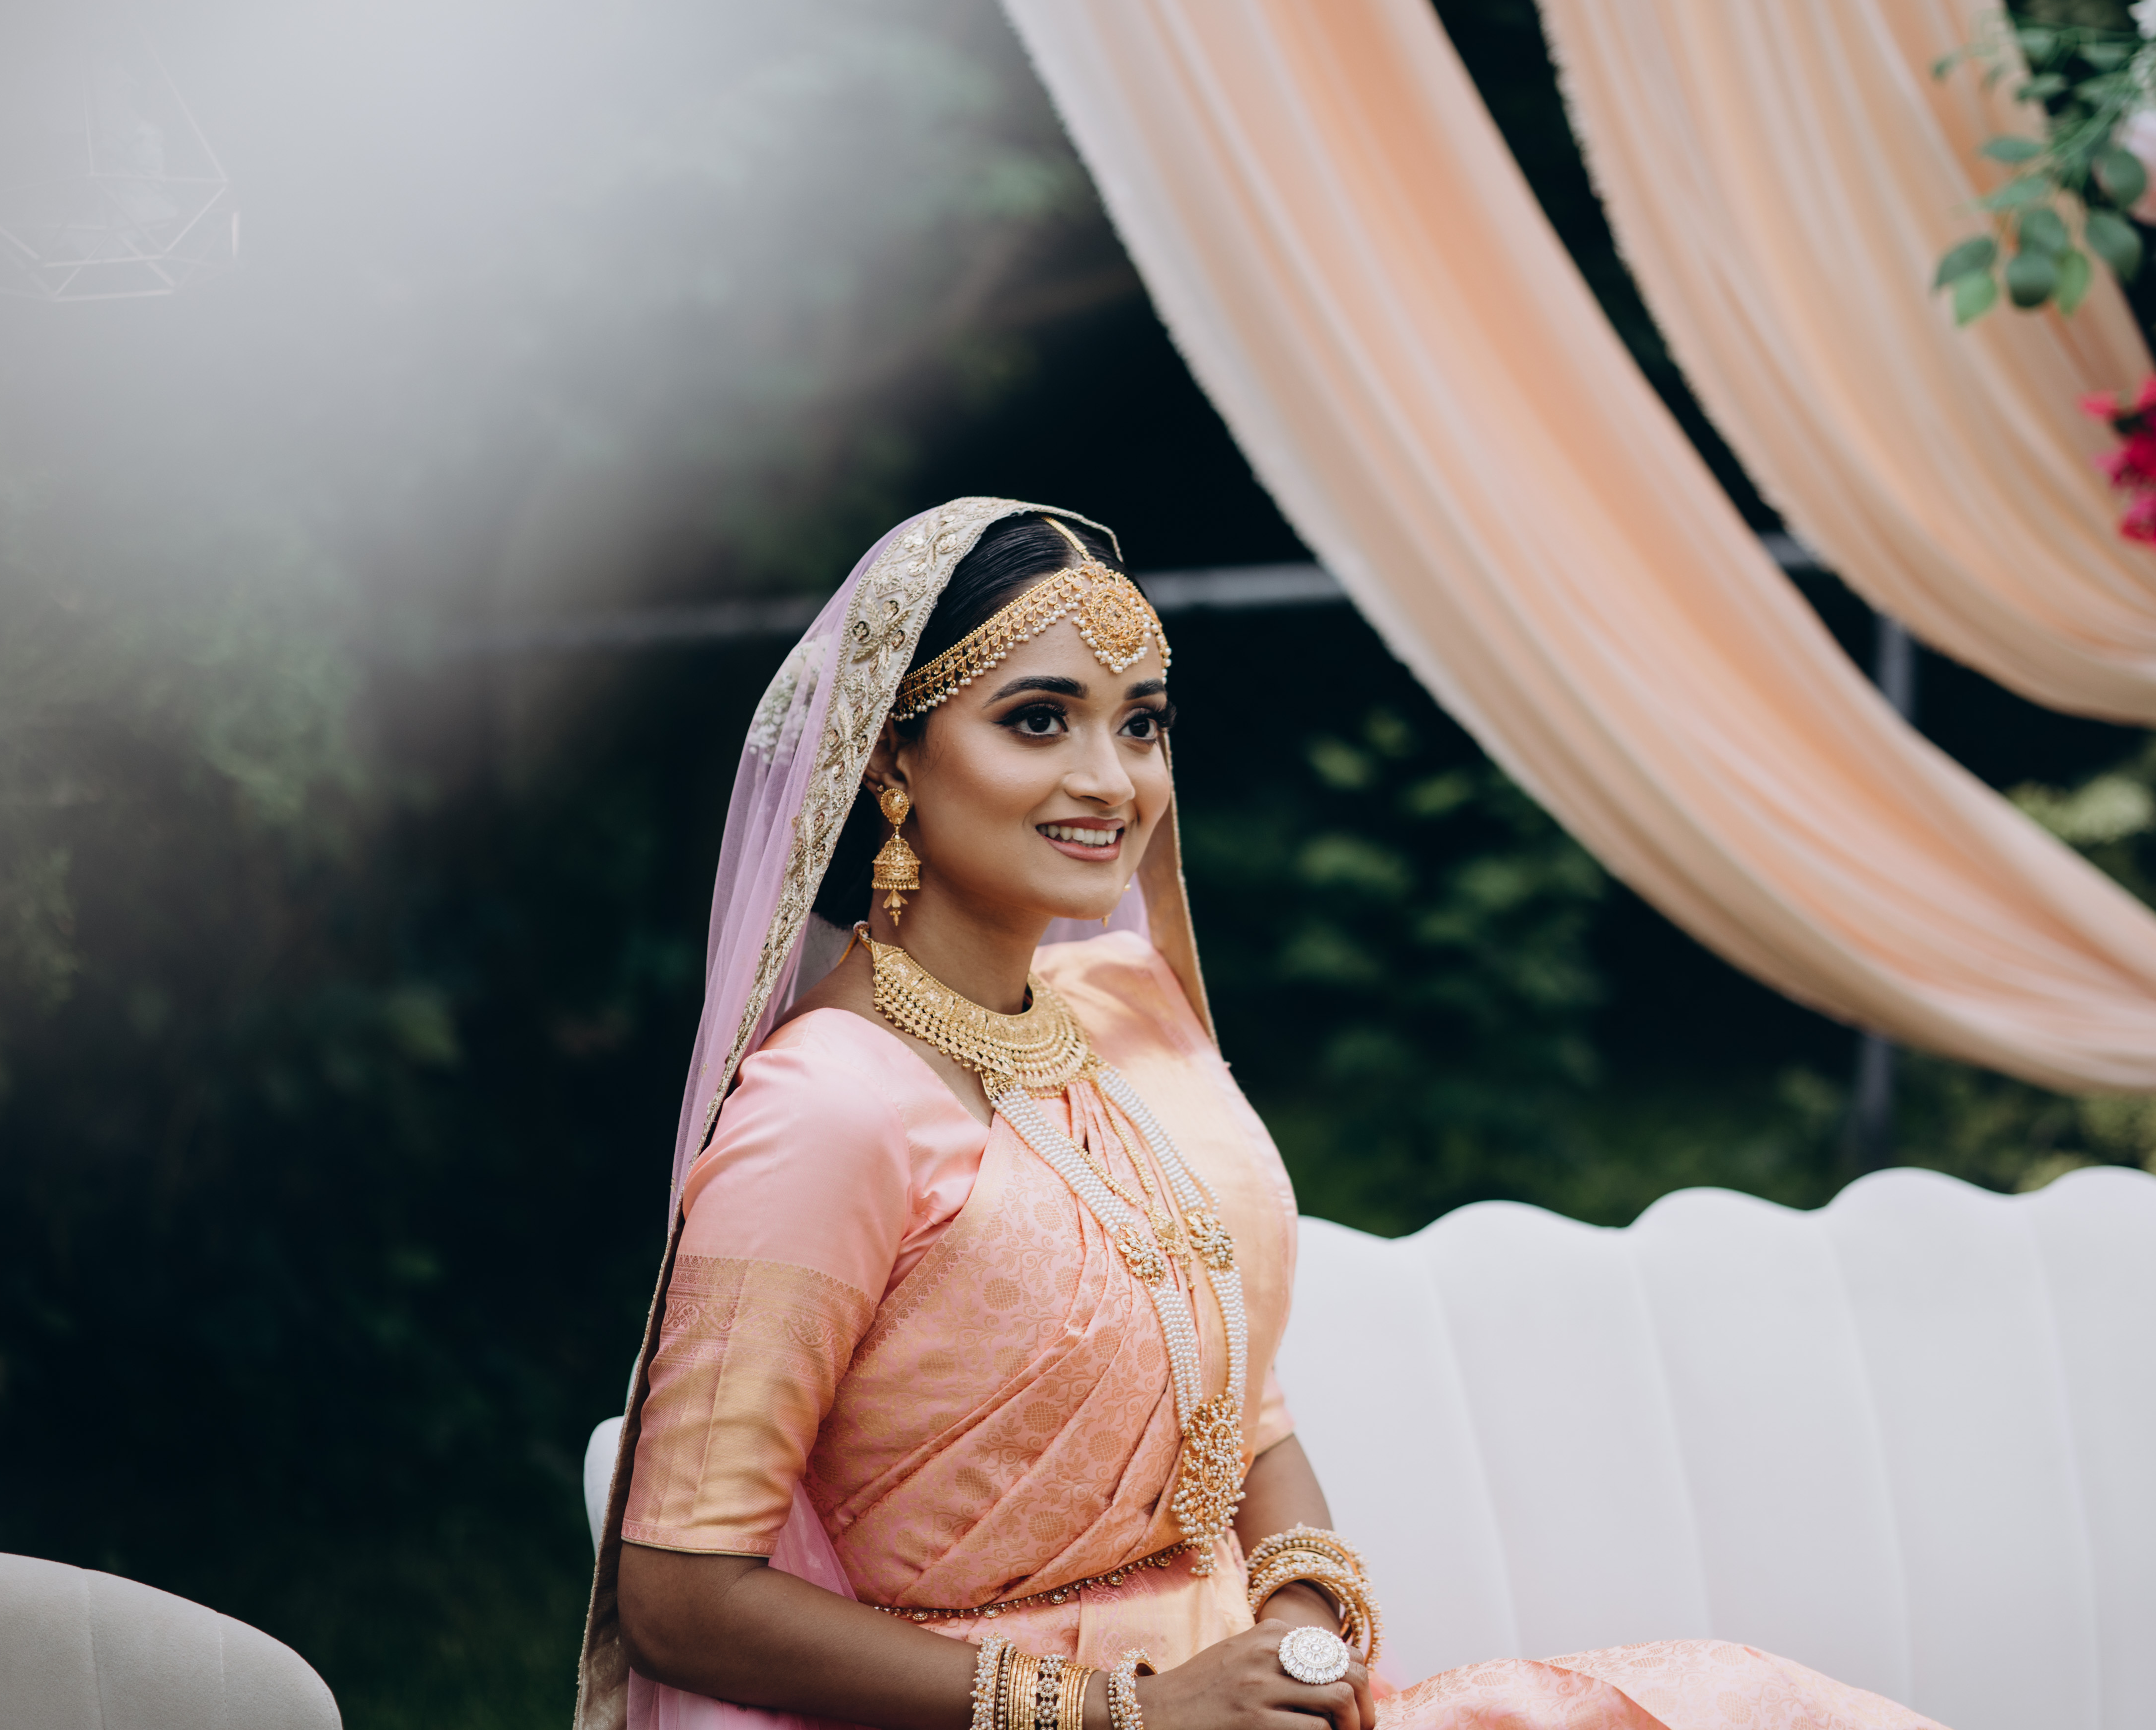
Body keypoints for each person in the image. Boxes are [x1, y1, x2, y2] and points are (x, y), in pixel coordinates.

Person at [576, 498, 1942, 1730]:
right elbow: (682, 1594)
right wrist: (1121, 1713)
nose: (1112, 780)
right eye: (1039, 719)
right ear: (892, 759)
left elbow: (1242, 1415)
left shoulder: (1125, 1015)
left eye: (1142, 722)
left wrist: (1296, 1622)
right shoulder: (825, 1112)